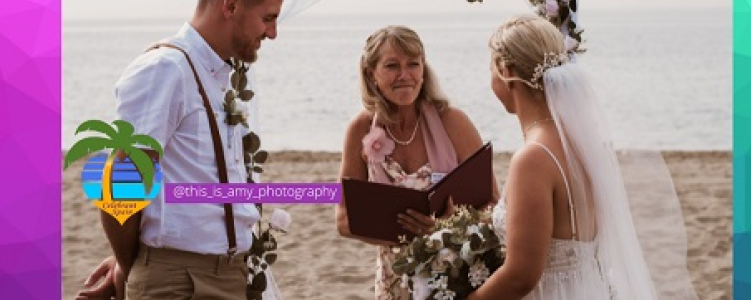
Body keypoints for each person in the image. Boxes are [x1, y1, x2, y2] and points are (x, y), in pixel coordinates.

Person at [462, 14, 697, 300]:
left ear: (505, 70)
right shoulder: (582, 145)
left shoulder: (532, 159)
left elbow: (521, 275)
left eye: (490, 69)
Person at [75, 0, 283, 299]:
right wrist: (133, 266)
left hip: (227, 275)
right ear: (230, 5)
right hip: (181, 285)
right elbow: (120, 184)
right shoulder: (166, 69)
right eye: (268, 18)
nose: (273, 33)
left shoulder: (216, 75)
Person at [334, 25, 498, 300]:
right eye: (391, 66)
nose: (404, 75)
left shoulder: (453, 121)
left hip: (455, 274)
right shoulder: (359, 129)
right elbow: (343, 219)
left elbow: (494, 203)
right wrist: (403, 232)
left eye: (413, 64)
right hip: (394, 277)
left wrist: (446, 228)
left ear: (424, 69)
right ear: (370, 73)